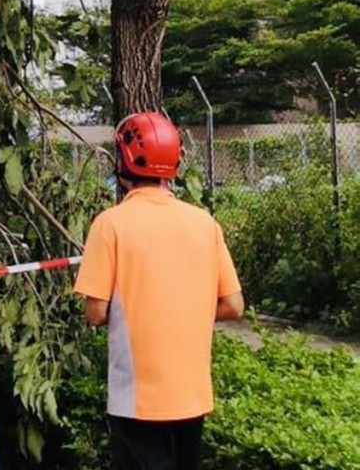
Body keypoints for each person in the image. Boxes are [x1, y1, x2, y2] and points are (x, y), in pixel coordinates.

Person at [73, 112, 245, 470]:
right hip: (192, 396)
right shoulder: (204, 223)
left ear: (124, 160)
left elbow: (95, 313)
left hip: (137, 400)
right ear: (176, 162)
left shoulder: (110, 224)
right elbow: (232, 304)